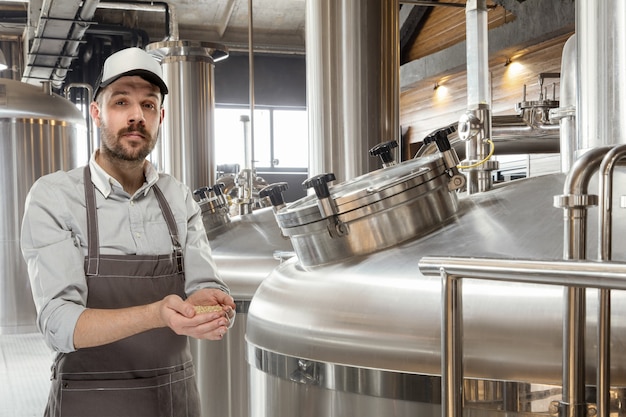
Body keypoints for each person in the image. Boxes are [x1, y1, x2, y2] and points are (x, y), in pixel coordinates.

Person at [20, 47, 236, 417]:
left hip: (176, 401)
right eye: (121, 102)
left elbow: (203, 284)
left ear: (161, 117)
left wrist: (213, 304)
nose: (137, 116)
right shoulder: (55, 196)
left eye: (148, 105)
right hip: (90, 401)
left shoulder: (178, 197)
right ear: (96, 113)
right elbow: (58, 324)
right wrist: (157, 314)